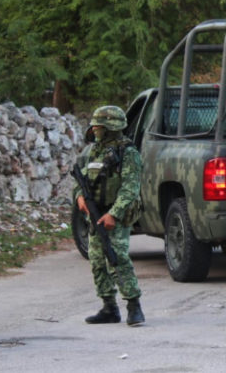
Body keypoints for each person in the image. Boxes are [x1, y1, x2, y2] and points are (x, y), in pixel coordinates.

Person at [75, 106, 145, 326]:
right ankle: (109, 308)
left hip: (117, 214)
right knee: (96, 260)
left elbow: (130, 189)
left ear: (109, 128)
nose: (95, 129)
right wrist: (79, 198)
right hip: (95, 213)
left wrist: (113, 214)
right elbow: (81, 180)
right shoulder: (92, 151)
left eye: (99, 126)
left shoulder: (128, 153)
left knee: (118, 259)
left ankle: (134, 306)